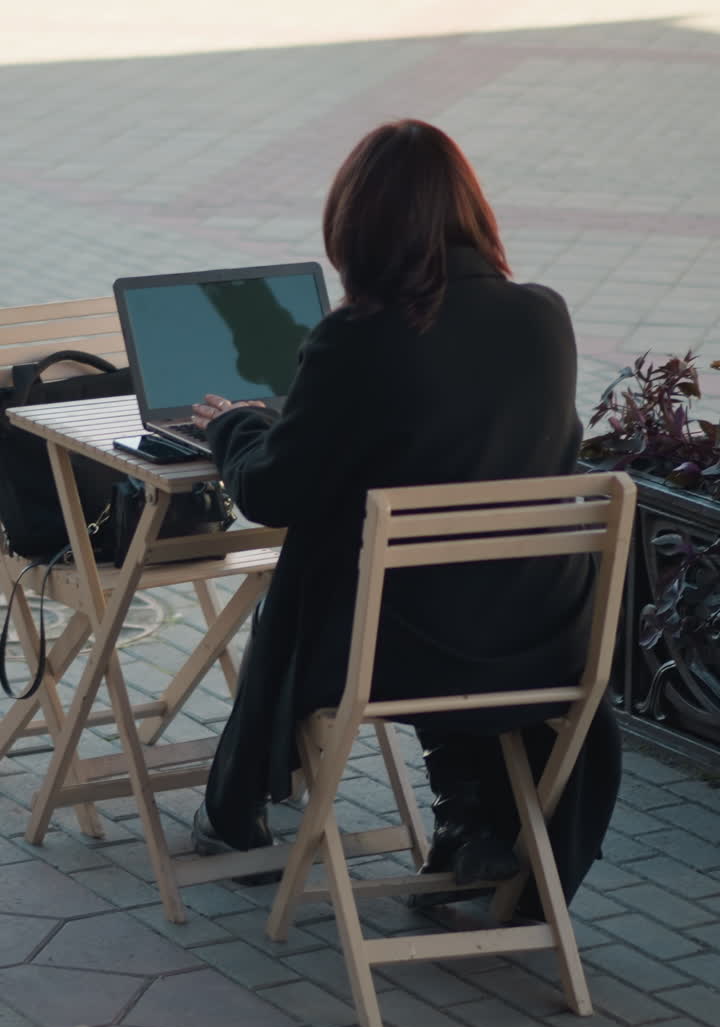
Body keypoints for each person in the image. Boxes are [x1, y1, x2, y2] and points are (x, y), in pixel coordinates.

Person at [190, 118, 621, 918]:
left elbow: (274, 495)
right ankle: (473, 813)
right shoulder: (543, 315)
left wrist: (236, 427)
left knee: (328, 562)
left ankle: (235, 808)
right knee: (424, 572)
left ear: (357, 228)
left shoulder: (357, 340)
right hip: (541, 639)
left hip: (395, 656)